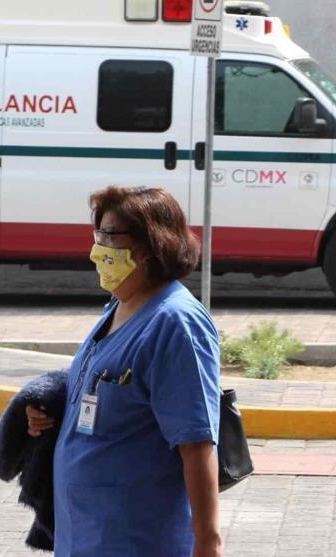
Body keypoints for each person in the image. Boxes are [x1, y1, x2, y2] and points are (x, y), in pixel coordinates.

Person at [26, 186, 223, 557]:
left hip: (135, 538)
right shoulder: (119, 306)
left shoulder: (175, 323)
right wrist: (51, 412)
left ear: (151, 245)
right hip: (85, 534)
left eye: (110, 236)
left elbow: (196, 443)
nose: (97, 249)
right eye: (97, 234)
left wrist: (207, 544)